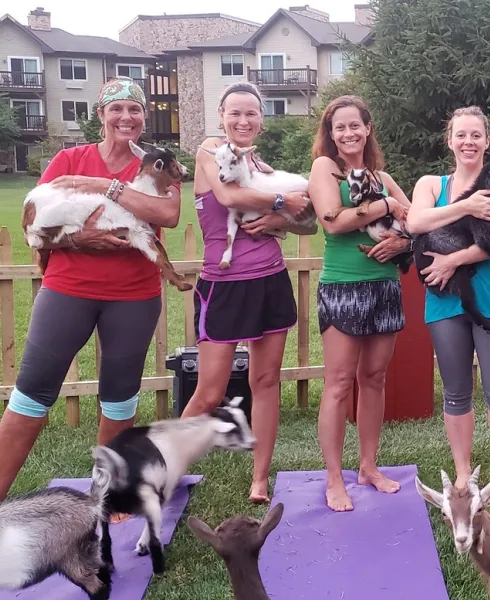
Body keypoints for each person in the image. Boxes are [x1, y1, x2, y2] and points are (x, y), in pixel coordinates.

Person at [0, 77, 180, 502]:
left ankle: (107, 496)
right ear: (100, 116)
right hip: (68, 291)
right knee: (31, 393)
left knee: (119, 397)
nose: (126, 117)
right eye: (115, 109)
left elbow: (168, 214)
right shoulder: (69, 159)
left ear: (143, 117)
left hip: (134, 296)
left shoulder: (155, 164)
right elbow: (34, 227)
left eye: (134, 109)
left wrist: (108, 186)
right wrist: (82, 240)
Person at [180, 81, 312, 505]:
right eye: (235, 112)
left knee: (266, 381)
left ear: (262, 121)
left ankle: (260, 479)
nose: (243, 120)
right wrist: (280, 203)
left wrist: (280, 222)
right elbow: (227, 193)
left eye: (251, 113)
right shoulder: (209, 152)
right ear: (221, 115)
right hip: (223, 287)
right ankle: (162, 469)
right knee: (210, 392)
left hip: (270, 281)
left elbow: (309, 222)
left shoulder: (264, 169)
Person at [406, 106, 490, 504]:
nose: (468, 142)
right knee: (455, 392)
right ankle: (462, 474)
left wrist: (453, 260)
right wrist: (465, 207)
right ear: (449, 140)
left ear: (487, 141)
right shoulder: (429, 184)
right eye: (461, 135)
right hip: (445, 299)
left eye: (476, 135)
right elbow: (415, 223)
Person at [307, 95, 412, 512]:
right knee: (337, 385)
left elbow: (416, 220)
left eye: (355, 125)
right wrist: (386, 205)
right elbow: (334, 222)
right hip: (343, 286)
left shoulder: (382, 175)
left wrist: (403, 240)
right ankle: (335, 478)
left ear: (368, 129)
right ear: (330, 134)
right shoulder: (324, 169)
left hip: (384, 286)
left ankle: (368, 466)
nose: (348, 133)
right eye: (340, 127)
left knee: (374, 379)